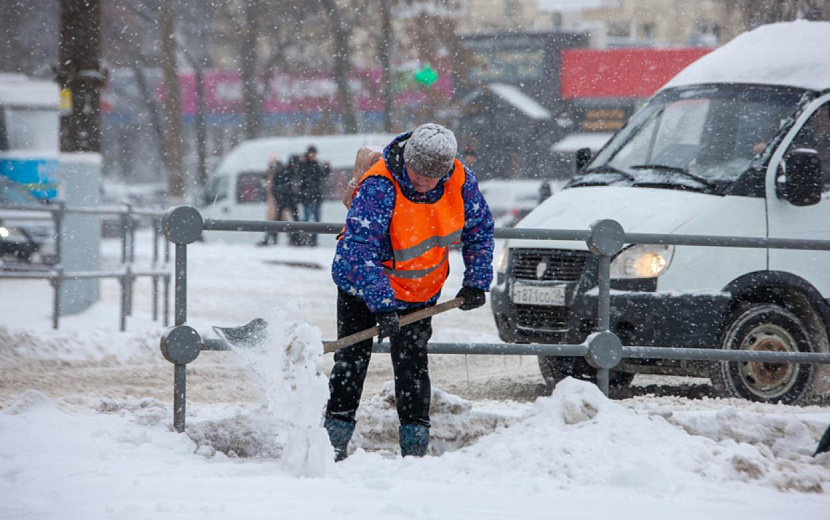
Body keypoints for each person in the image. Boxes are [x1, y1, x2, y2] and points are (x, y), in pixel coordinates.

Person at [324, 123, 495, 460]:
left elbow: (480, 229)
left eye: (431, 175)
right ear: (408, 159)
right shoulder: (380, 185)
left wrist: (477, 280)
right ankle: (333, 443)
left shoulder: (460, 181)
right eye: (416, 171)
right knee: (351, 362)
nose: (421, 180)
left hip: (419, 293)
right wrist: (383, 306)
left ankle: (414, 450)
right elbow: (360, 251)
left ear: (445, 171)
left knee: (413, 367)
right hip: (362, 288)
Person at [298, 145, 330, 246]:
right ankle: (305, 239)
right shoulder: (304, 165)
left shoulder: (317, 164)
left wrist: (327, 167)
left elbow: (323, 175)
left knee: (316, 219)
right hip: (308, 196)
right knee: (307, 218)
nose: (313, 156)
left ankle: (313, 240)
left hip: (316, 196)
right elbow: (301, 176)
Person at [258, 156, 282, 246]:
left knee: (274, 220)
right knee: (274, 220)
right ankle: (270, 238)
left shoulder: (275, 173)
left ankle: (270, 238)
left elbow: (269, 185)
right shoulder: (271, 173)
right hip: (273, 199)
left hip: (275, 200)